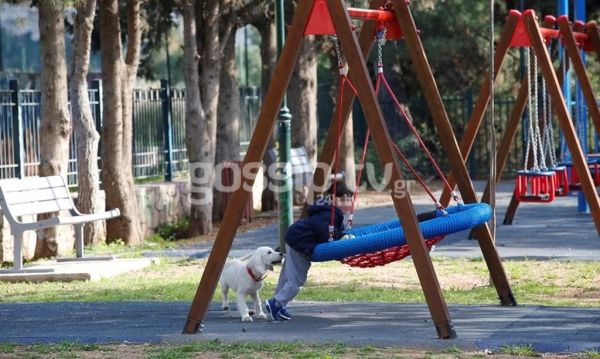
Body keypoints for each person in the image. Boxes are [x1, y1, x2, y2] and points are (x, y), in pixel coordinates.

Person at [265, 180, 354, 321]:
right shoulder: (327, 214)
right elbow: (327, 235)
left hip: (295, 239)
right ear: (332, 199)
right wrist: (339, 246)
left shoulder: (333, 213)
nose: (347, 203)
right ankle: (276, 303)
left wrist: (343, 235)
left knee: (287, 275)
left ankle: (278, 305)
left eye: (349, 199)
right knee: (296, 281)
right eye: (342, 199)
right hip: (300, 243)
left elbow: (338, 230)